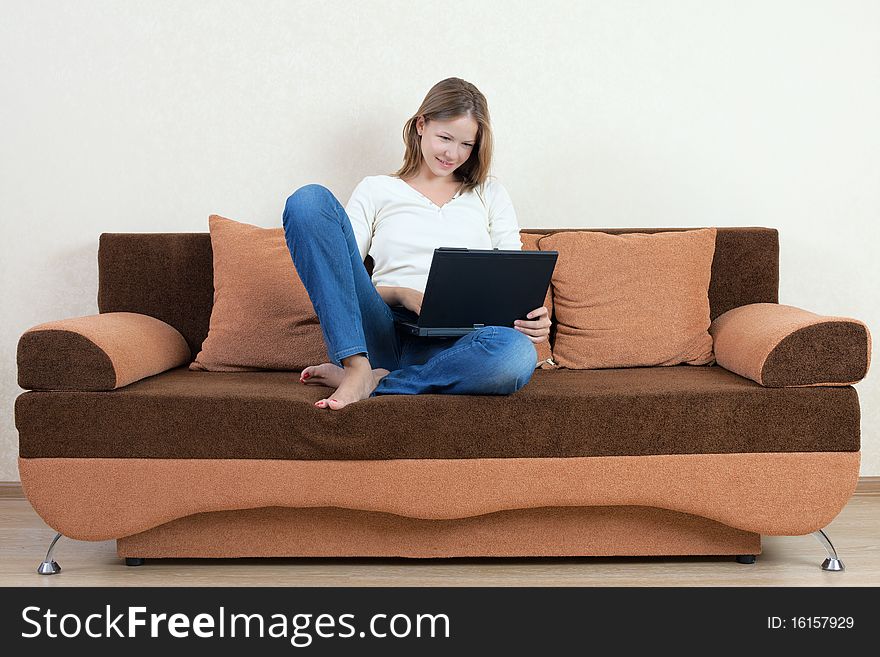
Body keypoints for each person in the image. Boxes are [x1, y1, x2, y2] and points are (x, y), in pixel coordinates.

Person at [282, 77, 550, 411]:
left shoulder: (490, 194)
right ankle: (357, 366)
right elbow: (337, 280)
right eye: (445, 138)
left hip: (457, 346)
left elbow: (513, 280)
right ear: (421, 125)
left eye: (466, 144)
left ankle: (379, 381)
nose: (453, 154)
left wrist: (531, 316)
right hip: (382, 329)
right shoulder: (376, 190)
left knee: (516, 353)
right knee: (308, 201)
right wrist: (400, 294)